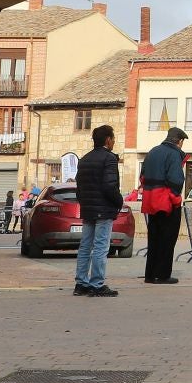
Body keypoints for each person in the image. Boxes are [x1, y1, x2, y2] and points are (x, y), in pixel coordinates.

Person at [74, 124, 124, 297]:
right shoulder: (109, 159)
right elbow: (110, 186)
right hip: (103, 209)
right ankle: (97, 284)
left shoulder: (84, 159)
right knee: (101, 246)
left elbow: (79, 186)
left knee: (85, 246)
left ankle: (81, 283)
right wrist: (119, 201)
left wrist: (85, 203)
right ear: (108, 140)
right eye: (114, 139)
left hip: (88, 208)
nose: (114, 142)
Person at [139, 127, 188, 285]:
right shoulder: (174, 154)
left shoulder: (153, 151)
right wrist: (175, 200)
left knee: (153, 238)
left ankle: (150, 274)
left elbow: (143, 176)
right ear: (179, 141)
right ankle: (163, 274)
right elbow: (176, 180)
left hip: (150, 201)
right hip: (166, 202)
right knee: (168, 239)